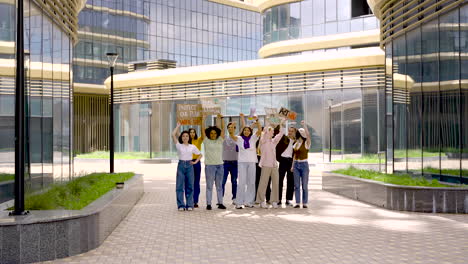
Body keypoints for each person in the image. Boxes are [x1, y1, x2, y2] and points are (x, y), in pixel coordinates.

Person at [230, 113, 261, 209]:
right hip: (242, 163)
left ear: (250, 132)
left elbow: (259, 130)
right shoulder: (239, 139)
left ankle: (249, 201)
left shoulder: (253, 138)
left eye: (248, 130)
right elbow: (231, 135)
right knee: (242, 182)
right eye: (245, 130)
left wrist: (257, 121)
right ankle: (239, 202)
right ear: (242, 131)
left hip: (252, 162)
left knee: (251, 182)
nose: (246, 131)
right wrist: (232, 127)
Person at [172, 123, 202, 211]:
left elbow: (200, 155)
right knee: (179, 186)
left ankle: (189, 204)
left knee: (190, 185)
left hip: (189, 166)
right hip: (181, 165)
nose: (185, 137)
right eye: (183, 136)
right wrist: (177, 126)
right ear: (181, 137)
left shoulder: (192, 147)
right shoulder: (179, 145)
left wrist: (195, 161)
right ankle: (181, 205)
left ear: (189, 138)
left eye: (187, 136)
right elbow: (173, 134)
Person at [256, 118, 285, 209]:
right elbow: (265, 130)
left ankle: (274, 201)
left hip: (274, 165)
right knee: (263, 183)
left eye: (273, 131)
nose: (273, 133)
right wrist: (268, 121)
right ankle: (261, 201)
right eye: (271, 131)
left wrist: (282, 122)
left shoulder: (273, 142)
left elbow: (281, 134)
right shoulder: (263, 140)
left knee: (276, 183)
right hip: (265, 164)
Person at [202, 114, 226, 210]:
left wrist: (222, 118)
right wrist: (203, 119)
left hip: (220, 166)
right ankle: (208, 204)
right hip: (210, 166)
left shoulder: (220, 140)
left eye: (215, 133)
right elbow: (202, 129)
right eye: (211, 133)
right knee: (209, 186)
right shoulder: (206, 141)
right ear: (209, 134)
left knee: (219, 186)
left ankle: (220, 203)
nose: (213, 135)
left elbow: (223, 129)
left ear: (217, 134)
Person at [275, 125, 297, 207]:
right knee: (279, 180)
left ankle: (288, 200)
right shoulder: (284, 139)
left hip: (291, 162)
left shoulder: (296, 142)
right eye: (289, 131)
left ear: (295, 132)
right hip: (283, 161)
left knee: (290, 181)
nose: (290, 132)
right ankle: (279, 199)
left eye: (292, 131)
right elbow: (277, 131)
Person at [292, 120, 311, 209]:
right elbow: (294, 156)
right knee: (296, 185)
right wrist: (292, 166)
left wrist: (304, 126)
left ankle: (305, 202)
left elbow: (308, 136)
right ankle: (297, 202)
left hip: (304, 165)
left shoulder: (306, 144)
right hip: (296, 165)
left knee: (304, 185)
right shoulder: (295, 144)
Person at [222, 121, 238, 204]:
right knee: (222, 181)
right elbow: (221, 130)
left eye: (232, 127)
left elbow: (242, 128)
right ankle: (220, 198)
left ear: (235, 129)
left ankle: (235, 197)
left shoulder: (237, 138)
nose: (230, 128)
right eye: (229, 127)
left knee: (234, 181)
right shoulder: (224, 137)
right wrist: (221, 119)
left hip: (235, 163)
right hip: (225, 162)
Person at [188, 128, 203, 208]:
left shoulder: (199, 140)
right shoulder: (186, 142)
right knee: (189, 182)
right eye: (190, 132)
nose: (192, 134)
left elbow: (203, 133)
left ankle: (195, 201)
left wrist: (202, 121)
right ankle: (189, 200)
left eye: (194, 132)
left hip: (197, 162)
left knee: (196, 182)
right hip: (188, 162)